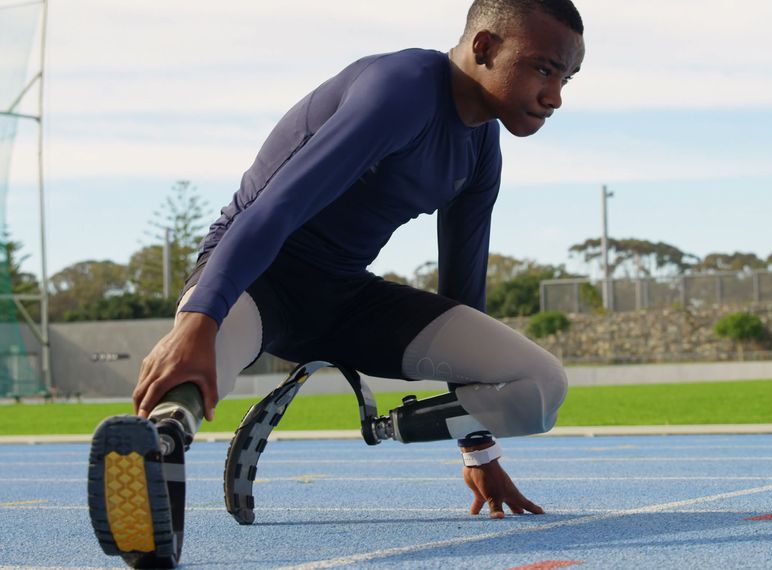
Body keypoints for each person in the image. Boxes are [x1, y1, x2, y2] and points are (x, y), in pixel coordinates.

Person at [87, 0, 585, 566]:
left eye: (567, 77)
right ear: (485, 48)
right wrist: (197, 320)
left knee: (540, 387)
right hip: (258, 272)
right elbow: (276, 207)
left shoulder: (480, 149)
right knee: (202, 362)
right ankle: (160, 444)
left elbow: (462, 292)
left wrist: (477, 446)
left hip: (345, 298)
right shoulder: (402, 89)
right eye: (543, 68)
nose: (556, 95)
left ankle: (384, 426)